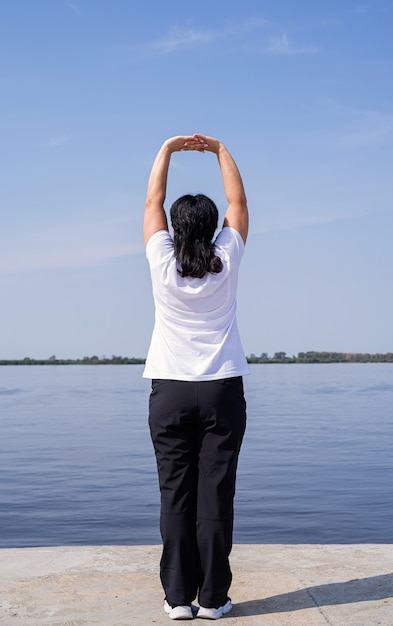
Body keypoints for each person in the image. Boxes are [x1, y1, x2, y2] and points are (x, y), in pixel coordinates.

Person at [143, 133, 249, 620]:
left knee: (175, 492)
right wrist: (219, 149)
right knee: (216, 492)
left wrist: (166, 150)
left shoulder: (162, 263)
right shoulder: (225, 260)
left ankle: (177, 599)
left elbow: (152, 201)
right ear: (212, 229)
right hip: (221, 389)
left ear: (174, 230)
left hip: (169, 390)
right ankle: (213, 600)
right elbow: (238, 201)